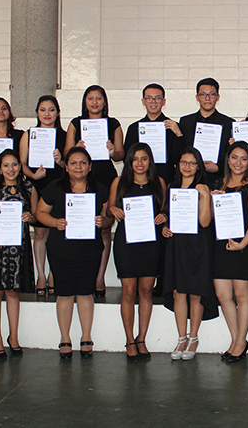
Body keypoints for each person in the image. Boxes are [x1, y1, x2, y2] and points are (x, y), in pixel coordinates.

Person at [36, 147, 112, 359]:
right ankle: (65, 338)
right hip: (61, 248)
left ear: (89, 166)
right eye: (73, 163)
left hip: (90, 249)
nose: (78, 167)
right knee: (65, 293)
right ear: (66, 166)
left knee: (86, 292)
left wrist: (103, 221)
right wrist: (55, 222)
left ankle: (86, 337)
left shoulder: (100, 188)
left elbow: (109, 218)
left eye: (82, 163)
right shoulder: (55, 187)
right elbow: (40, 213)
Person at [108, 143, 167, 361]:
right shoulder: (119, 182)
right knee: (128, 292)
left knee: (146, 291)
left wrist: (164, 217)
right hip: (126, 244)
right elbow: (109, 208)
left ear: (150, 161)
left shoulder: (158, 183)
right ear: (129, 161)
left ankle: (142, 338)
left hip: (150, 244)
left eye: (144, 159)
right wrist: (113, 209)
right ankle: (129, 339)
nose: (140, 163)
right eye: (135, 159)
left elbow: (165, 211)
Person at [0, 149, 37, 358]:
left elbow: (36, 216)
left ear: (20, 167)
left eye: (14, 164)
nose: (11, 169)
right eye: (6, 165)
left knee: (13, 292)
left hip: (18, 247)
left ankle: (14, 336)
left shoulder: (29, 188)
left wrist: (30, 217)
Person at [65, 85, 124, 297]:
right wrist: (76, 148)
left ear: (104, 101)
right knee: (79, 223)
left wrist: (112, 150)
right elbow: (66, 155)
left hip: (104, 176)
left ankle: (99, 277)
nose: (95, 103)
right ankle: (79, 277)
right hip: (80, 178)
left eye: (99, 98)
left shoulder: (113, 123)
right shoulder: (75, 123)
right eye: (91, 98)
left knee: (104, 226)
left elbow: (120, 155)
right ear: (85, 101)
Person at [162, 147, 218, 361]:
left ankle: (193, 338)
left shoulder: (203, 187)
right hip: (176, 244)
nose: (187, 166)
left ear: (199, 166)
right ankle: (181, 337)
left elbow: (205, 222)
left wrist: (204, 197)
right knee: (178, 292)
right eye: (184, 162)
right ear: (177, 165)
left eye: (192, 163)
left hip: (197, 244)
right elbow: (168, 216)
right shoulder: (171, 187)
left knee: (195, 292)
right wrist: (165, 227)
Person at [212, 141, 248, 362]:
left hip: (244, 247)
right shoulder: (219, 184)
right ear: (228, 159)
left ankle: (240, 342)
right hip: (221, 246)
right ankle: (237, 340)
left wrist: (242, 243)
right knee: (223, 295)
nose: (238, 163)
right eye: (235, 157)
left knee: (242, 296)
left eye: (244, 158)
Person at [20, 95, 67, 295]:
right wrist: (33, 175)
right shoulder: (28, 134)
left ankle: (53, 275)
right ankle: (40, 275)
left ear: (57, 113)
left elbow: (72, 165)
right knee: (39, 233)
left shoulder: (64, 135)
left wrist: (61, 162)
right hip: (38, 186)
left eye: (51, 110)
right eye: (43, 110)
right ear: (37, 113)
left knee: (57, 232)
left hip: (59, 187)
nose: (47, 114)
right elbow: (21, 163)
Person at [178, 78, 234, 188]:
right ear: (197, 97)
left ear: (217, 97)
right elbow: (181, 150)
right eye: (203, 94)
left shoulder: (228, 123)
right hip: (190, 180)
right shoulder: (185, 122)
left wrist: (218, 167)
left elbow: (230, 153)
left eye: (211, 94)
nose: (207, 98)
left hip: (218, 180)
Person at [124, 83, 184, 185]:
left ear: (163, 102)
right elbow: (127, 157)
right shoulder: (134, 128)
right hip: (139, 180)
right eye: (149, 98)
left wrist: (179, 135)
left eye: (157, 98)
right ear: (143, 101)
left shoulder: (173, 127)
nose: (153, 101)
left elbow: (179, 158)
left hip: (166, 179)